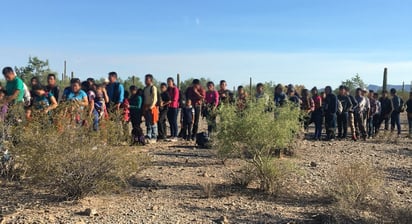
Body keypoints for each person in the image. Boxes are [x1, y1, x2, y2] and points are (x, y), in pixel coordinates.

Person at [143, 74, 159, 143]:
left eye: (147, 79)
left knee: (153, 122)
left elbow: (155, 99)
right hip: (146, 106)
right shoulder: (145, 88)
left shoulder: (153, 88)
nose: (145, 81)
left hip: (152, 107)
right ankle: (148, 135)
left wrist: (151, 107)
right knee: (148, 123)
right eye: (145, 79)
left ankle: (154, 136)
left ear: (151, 80)